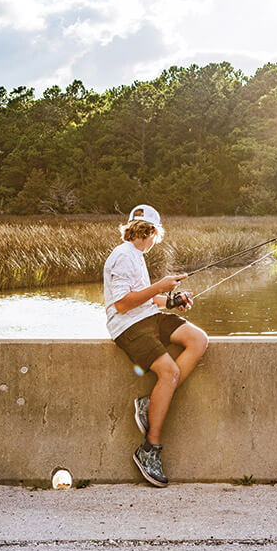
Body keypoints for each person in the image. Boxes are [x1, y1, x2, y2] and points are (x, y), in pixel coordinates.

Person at [102, 204, 209, 487]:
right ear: (150, 231)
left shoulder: (136, 256)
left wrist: (172, 300)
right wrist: (161, 287)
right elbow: (123, 305)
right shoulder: (122, 256)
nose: (153, 241)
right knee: (169, 373)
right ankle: (148, 449)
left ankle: (151, 404)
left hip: (148, 317)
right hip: (129, 328)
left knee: (198, 339)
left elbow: (145, 300)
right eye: (154, 235)